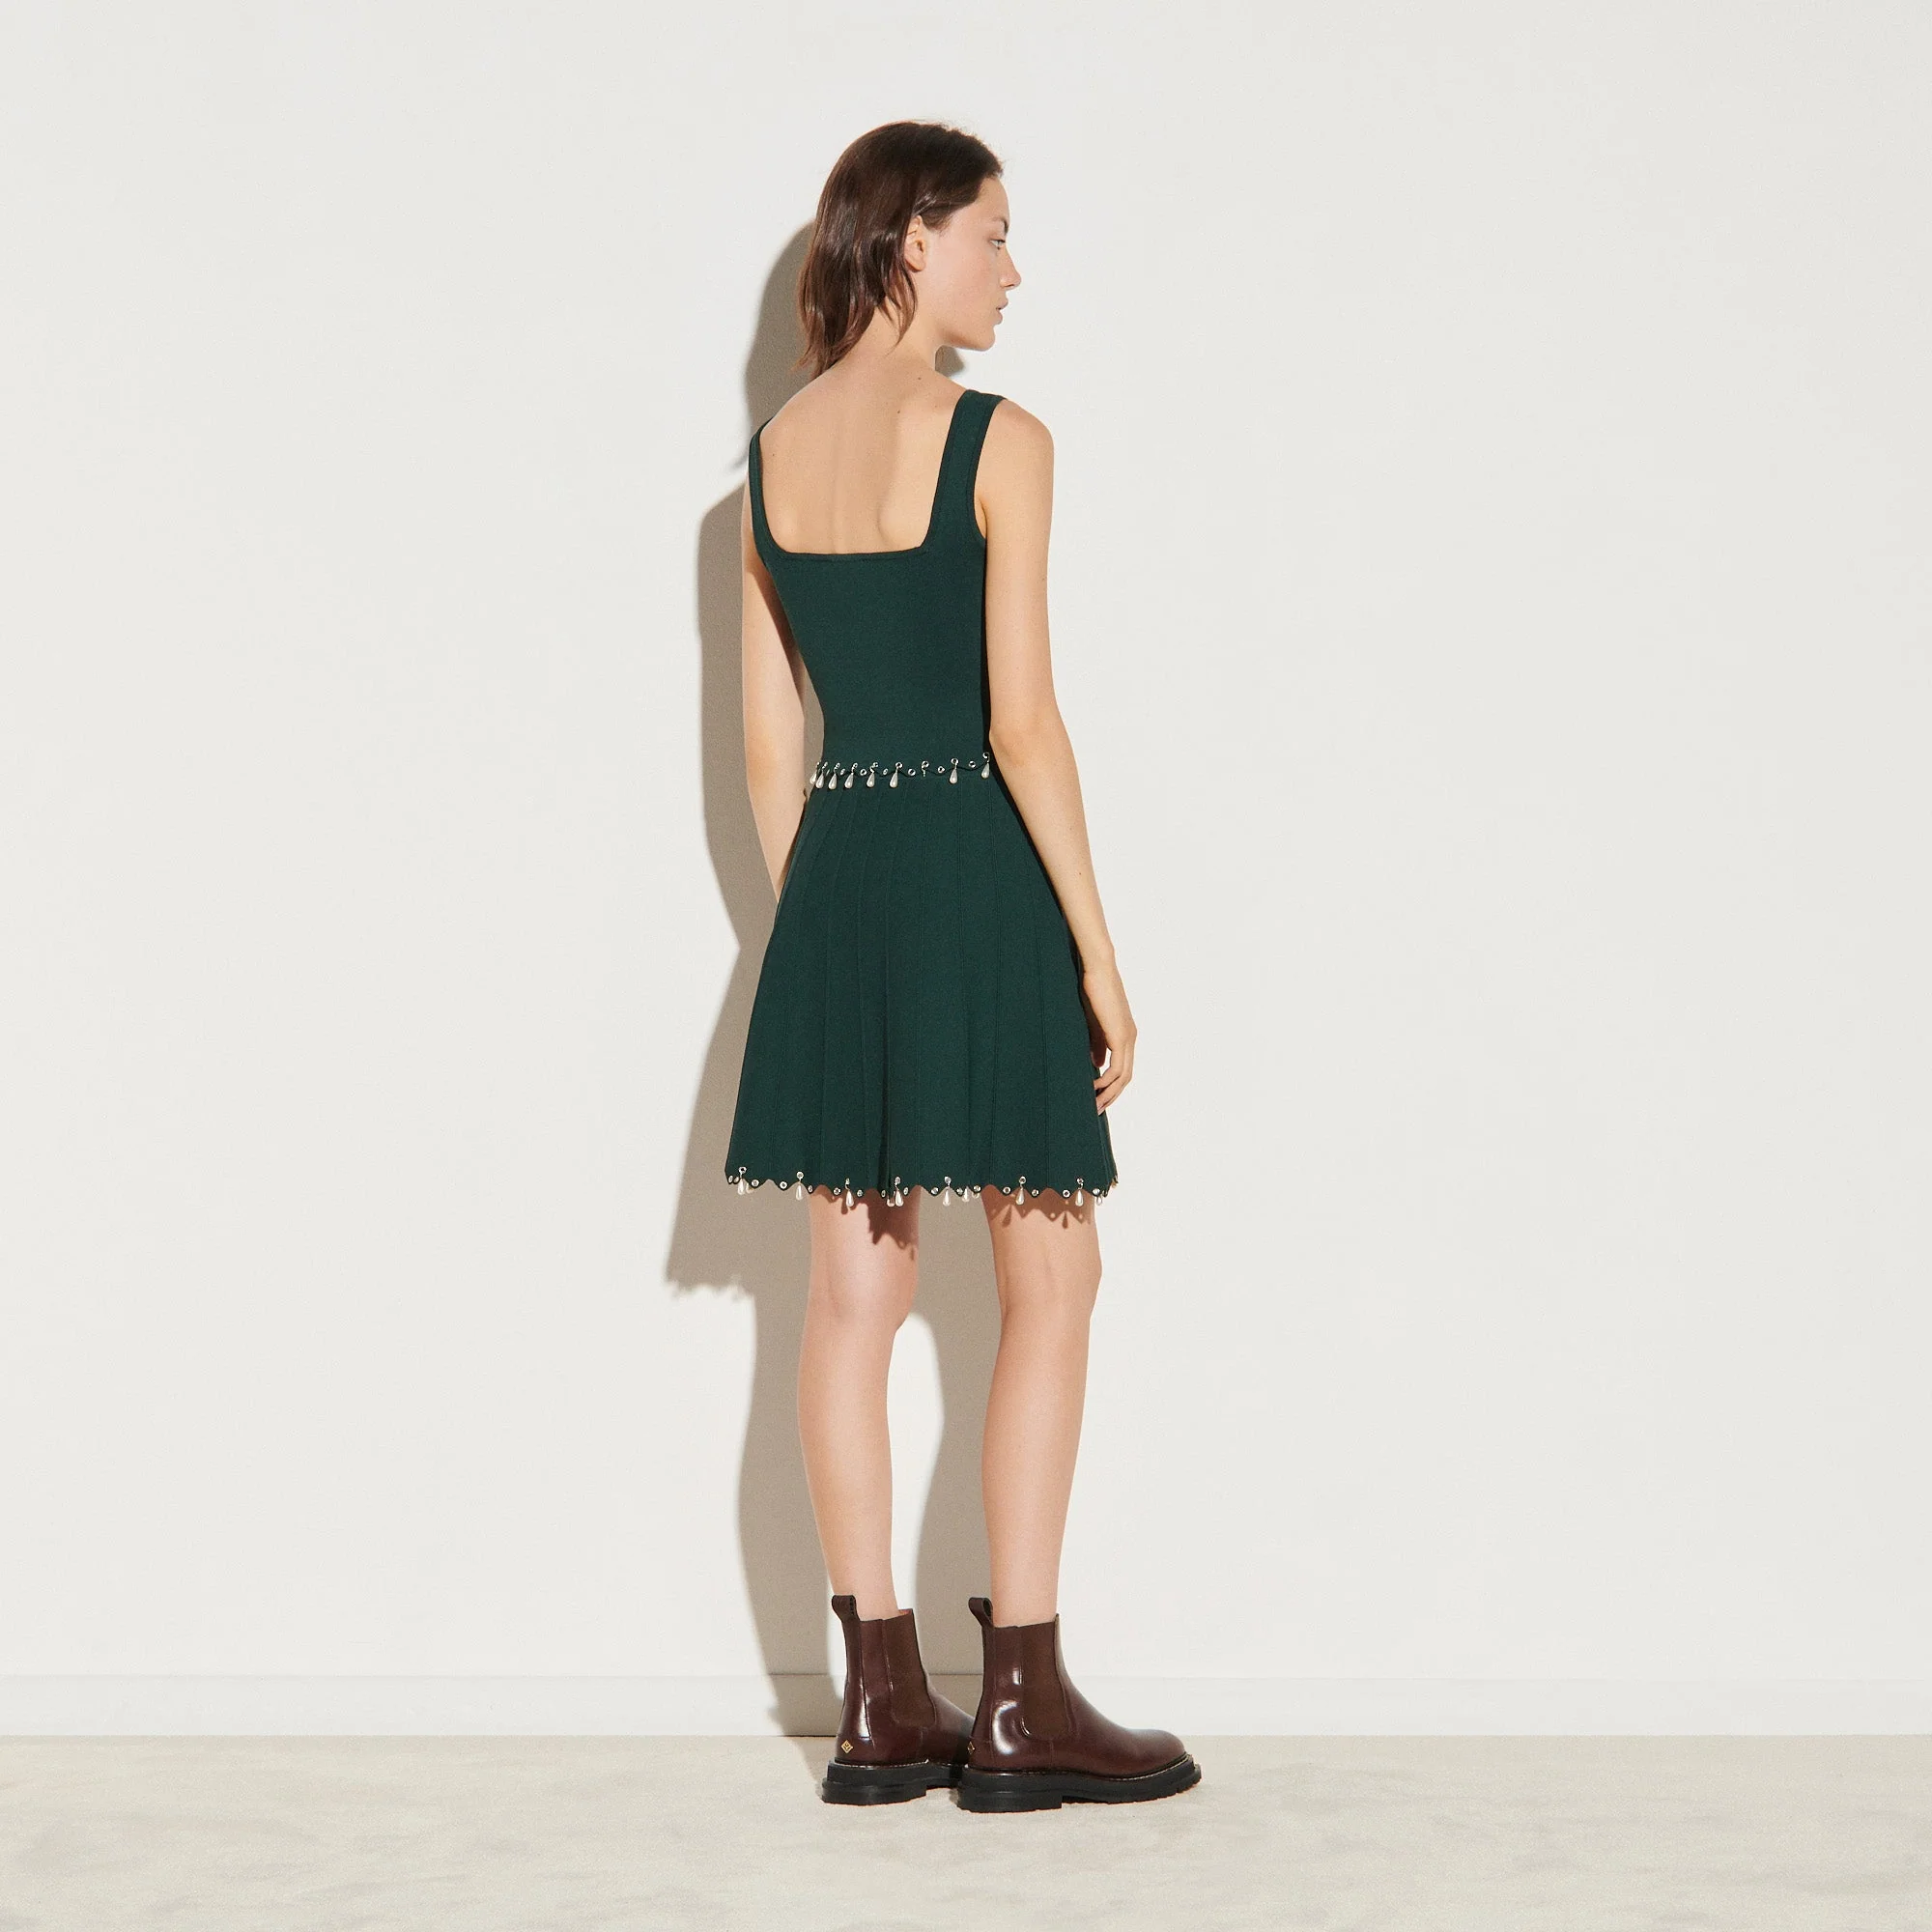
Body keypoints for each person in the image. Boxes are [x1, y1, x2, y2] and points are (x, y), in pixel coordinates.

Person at [724, 120, 1199, 1813]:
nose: (1014, 268)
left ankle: (877, 1698)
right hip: (984, 886)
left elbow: (771, 761)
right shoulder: (999, 440)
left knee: (850, 1301)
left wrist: (836, 934)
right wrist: (1099, 953)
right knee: (1053, 1282)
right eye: (995, 233)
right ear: (914, 239)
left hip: (839, 893)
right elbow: (1022, 725)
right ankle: (1023, 1700)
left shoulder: (767, 465)